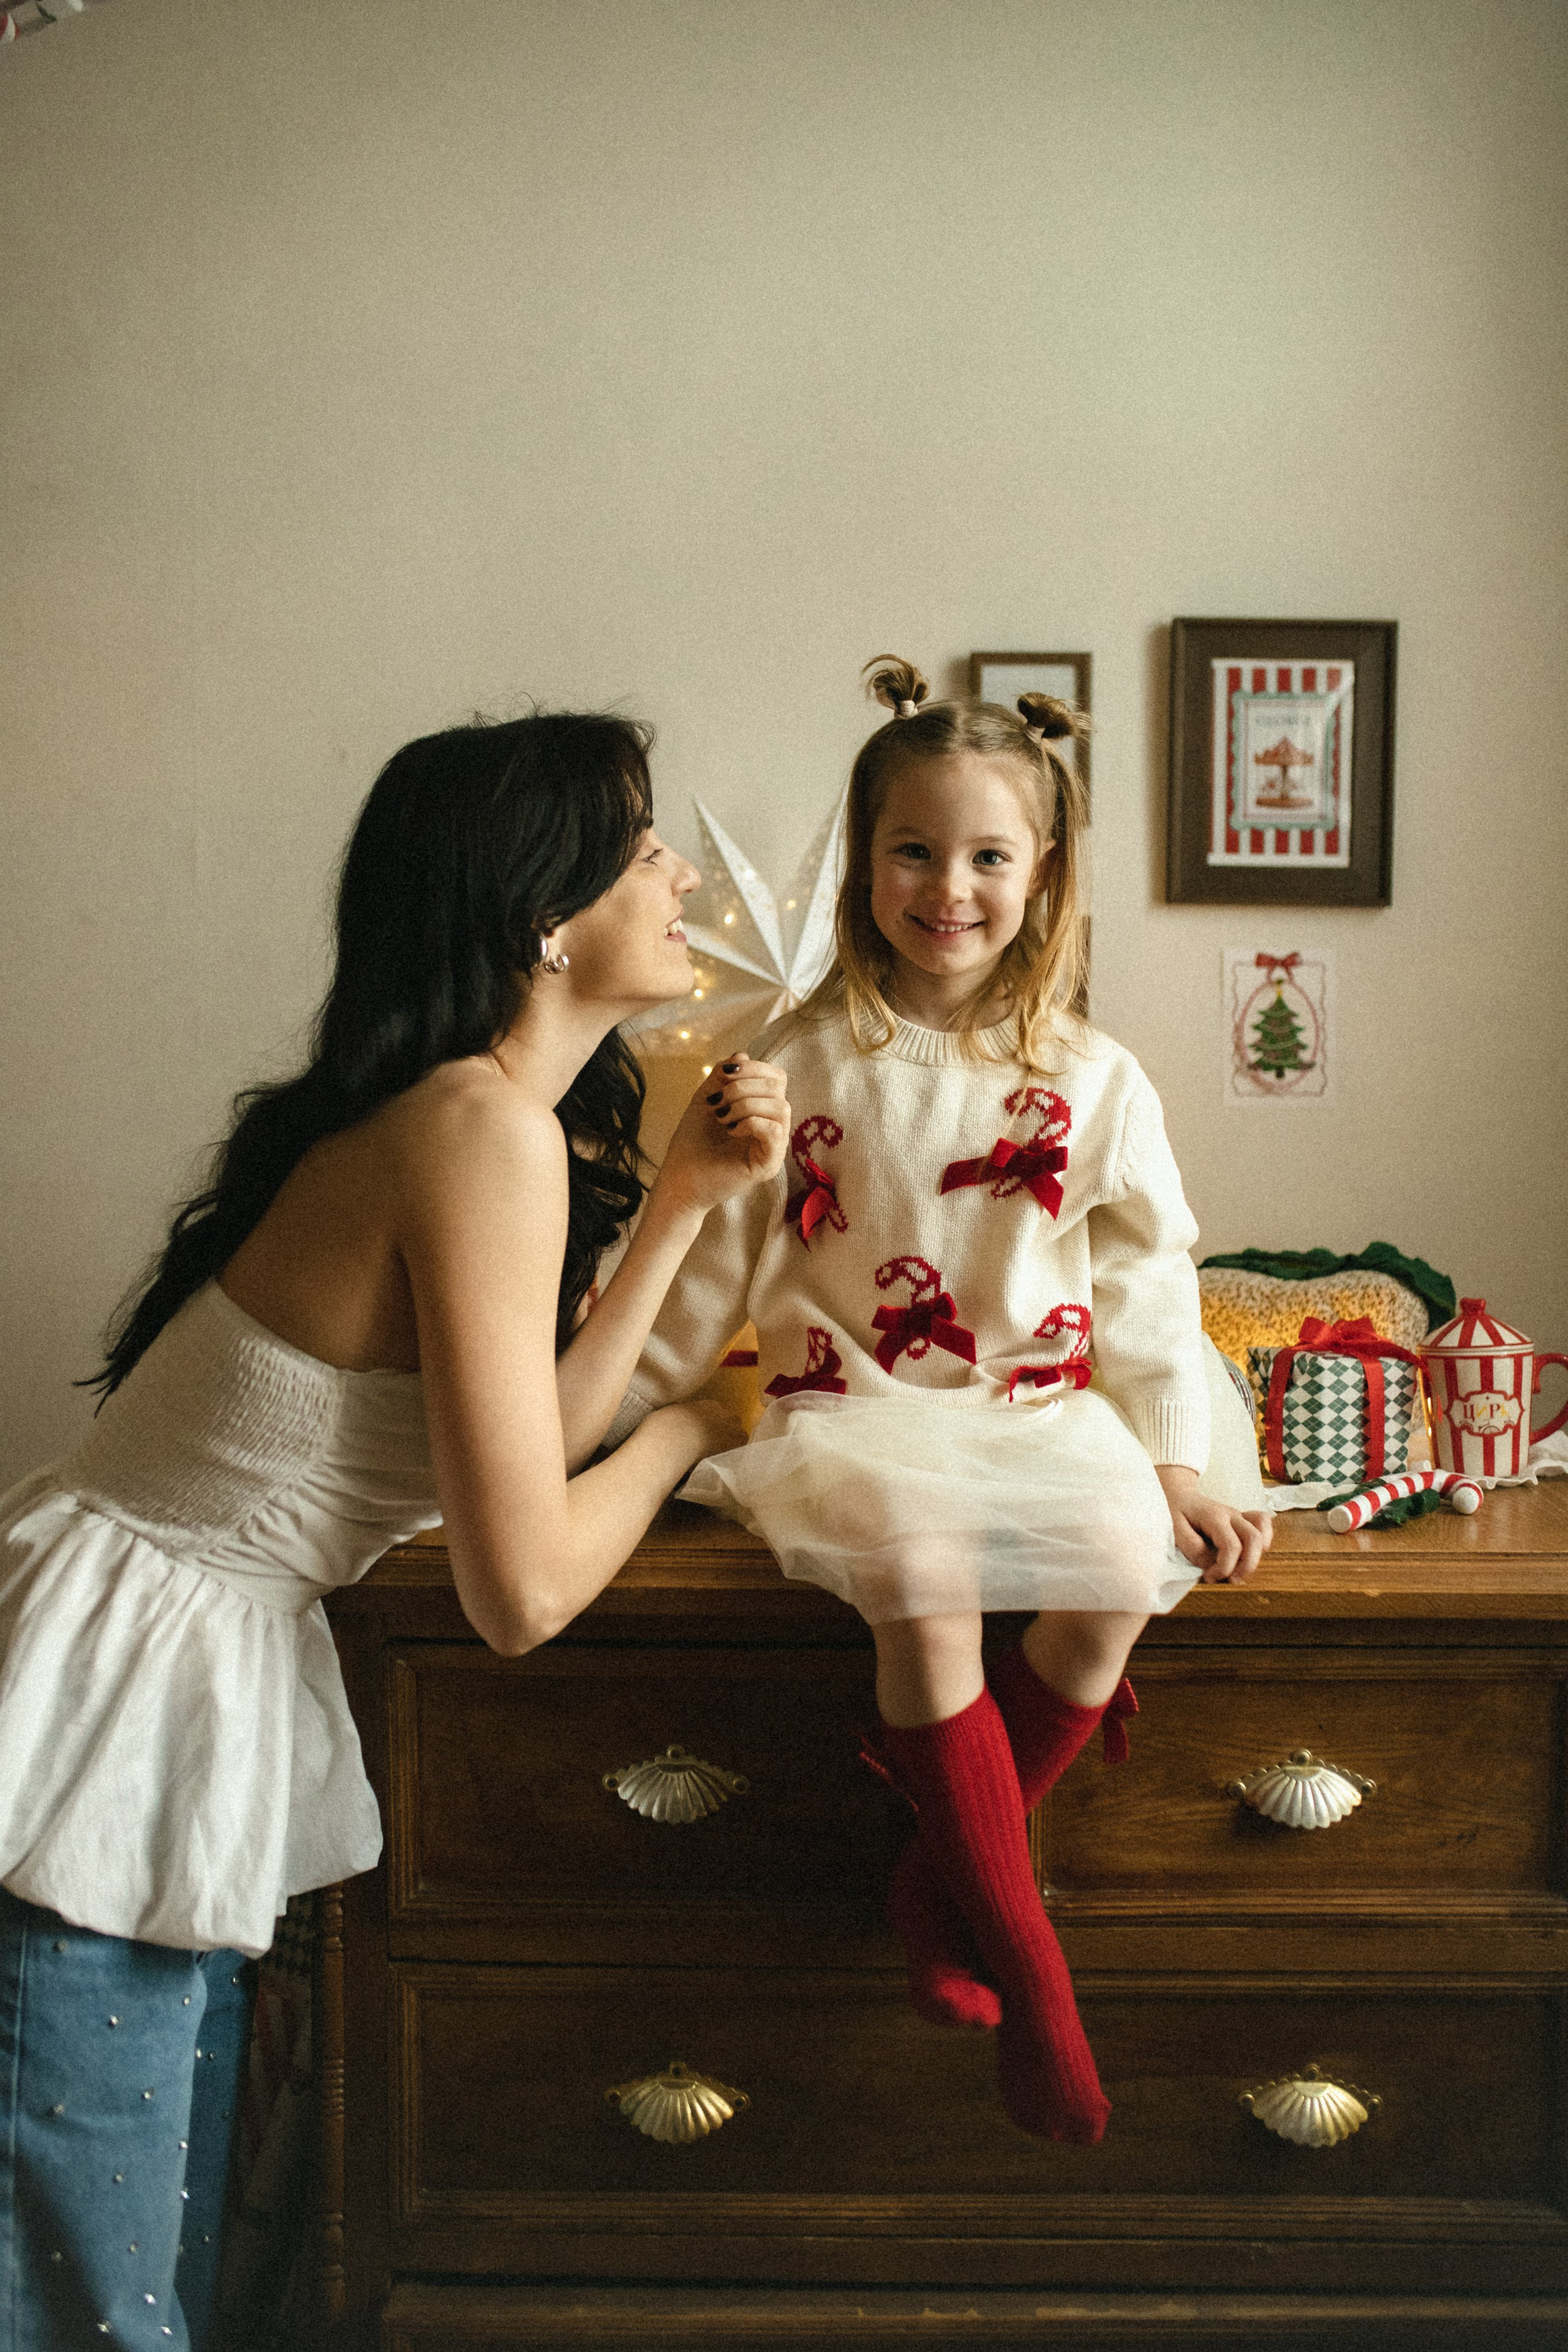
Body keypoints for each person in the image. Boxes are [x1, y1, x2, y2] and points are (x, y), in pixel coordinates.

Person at [0, 710, 787, 2351]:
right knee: (94, 2305)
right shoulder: (480, 1132)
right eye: (646, 849)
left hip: (140, 1680)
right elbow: (521, 1589)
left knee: (142, 2280)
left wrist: (683, 1218)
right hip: (96, 1716)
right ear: (541, 915)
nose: (686, 873)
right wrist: (691, 1437)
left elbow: (516, 1433)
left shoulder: (474, 1124)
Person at [602, 660, 1271, 2148]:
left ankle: (938, 1879)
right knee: (919, 1573)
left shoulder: (1093, 1079)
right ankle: (1033, 1973)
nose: (947, 888)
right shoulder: (790, 1061)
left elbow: (1148, 1280)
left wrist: (1170, 1460)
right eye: (913, 850)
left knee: (1112, 1576)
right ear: (865, 859)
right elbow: (715, 1262)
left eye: (986, 857)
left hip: (1037, 1410)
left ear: (1041, 878)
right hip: (852, 1404)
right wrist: (599, 1417)